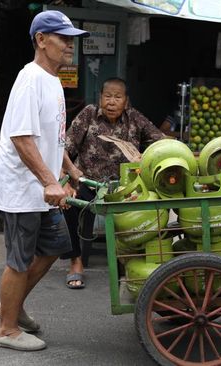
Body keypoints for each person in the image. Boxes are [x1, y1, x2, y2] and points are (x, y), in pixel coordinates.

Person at [0, 10, 89, 351]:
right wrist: (50, 182)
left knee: (54, 247)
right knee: (19, 259)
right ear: (41, 40)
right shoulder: (29, 79)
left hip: (42, 187)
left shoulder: (52, 80)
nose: (69, 46)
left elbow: (51, 136)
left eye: (71, 39)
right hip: (21, 187)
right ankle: (6, 330)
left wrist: (70, 169)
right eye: (62, 38)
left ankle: (9, 307)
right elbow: (22, 137)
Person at [61, 78, 166, 289]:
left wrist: (146, 157)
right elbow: (64, 147)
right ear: (100, 98)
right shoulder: (89, 114)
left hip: (123, 188)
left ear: (126, 101)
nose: (111, 102)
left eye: (117, 97)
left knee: (151, 206)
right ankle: (76, 261)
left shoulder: (134, 118)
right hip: (87, 183)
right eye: (107, 96)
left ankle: (131, 259)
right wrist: (64, 178)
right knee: (67, 203)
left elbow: (161, 142)